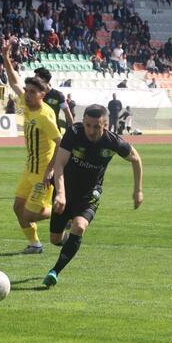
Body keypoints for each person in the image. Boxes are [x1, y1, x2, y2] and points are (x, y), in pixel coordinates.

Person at [42, 104, 143, 286]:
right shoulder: (74, 133)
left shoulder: (113, 142)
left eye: (96, 126)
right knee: (55, 239)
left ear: (105, 125)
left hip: (90, 193)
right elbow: (60, 164)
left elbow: (136, 159)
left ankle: (55, 271)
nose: (91, 130)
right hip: (66, 189)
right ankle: (71, 240)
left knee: (79, 226)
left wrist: (138, 190)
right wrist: (61, 194)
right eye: (88, 125)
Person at [3, 39, 62, 254]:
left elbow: (60, 143)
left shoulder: (45, 115)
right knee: (18, 207)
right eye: (27, 91)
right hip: (29, 168)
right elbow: (13, 82)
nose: (27, 94)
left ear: (42, 95)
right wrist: (5, 57)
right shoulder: (27, 106)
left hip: (42, 174)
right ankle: (35, 244)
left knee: (28, 214)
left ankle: (63, 212)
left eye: (32, 92)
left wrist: (50, 171)